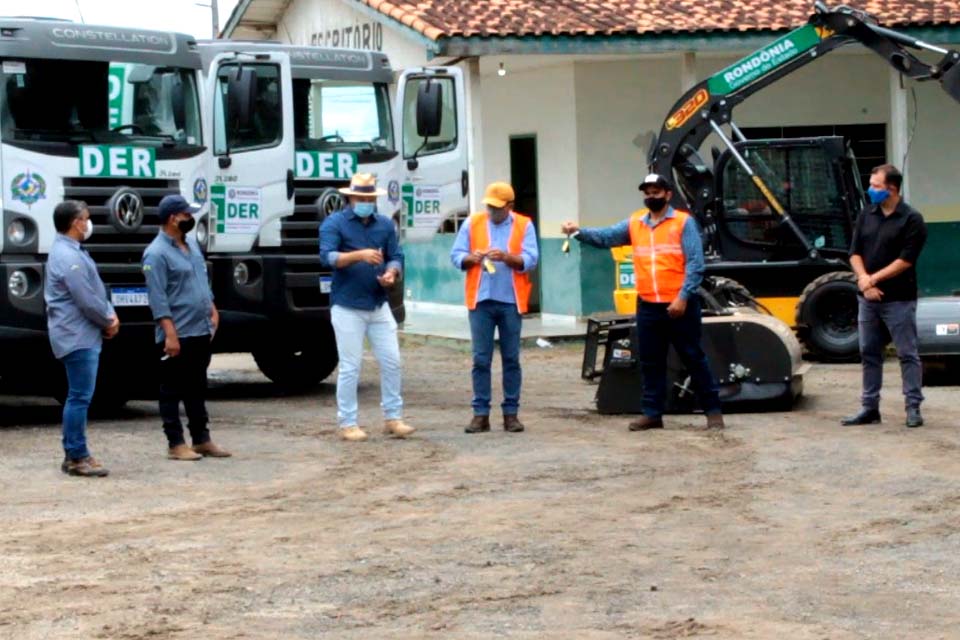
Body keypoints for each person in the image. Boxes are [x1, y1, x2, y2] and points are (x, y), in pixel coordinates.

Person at [562, 173, 724, 431]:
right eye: (647, 192)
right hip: (648, 304)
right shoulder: (636, 223)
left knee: (693, 357)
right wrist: (578, 232)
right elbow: (606, 237)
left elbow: (695, 264)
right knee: (650, 362)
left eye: (656, 192)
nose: (651, 196)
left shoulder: (683, 223)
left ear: (668, 194)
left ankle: (713, 411)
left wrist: (682, 297)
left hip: (679, 305)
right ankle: (652, 413)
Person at [319, 173, 412, 442]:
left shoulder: (384, 225)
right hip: (347, 305)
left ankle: (393, 417)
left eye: (370, 198)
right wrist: (360, 255)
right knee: (351, 364)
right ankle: (348, 422)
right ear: (350, 198)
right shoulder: (334, 223)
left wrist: (392, 272)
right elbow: (328, 257)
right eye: (362, 198)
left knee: (392, 360)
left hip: (378, 302)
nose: (367, 202)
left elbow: (396, 255)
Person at [142, 195, 231, 460]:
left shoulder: (191, 245)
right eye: (186, 215)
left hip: (200, 329)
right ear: (173, 218)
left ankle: (201, 439)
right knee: (171, 389)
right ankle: (176, 443)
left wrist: (212, 308)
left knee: (197, 386)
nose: (190, 219)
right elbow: (157, 297)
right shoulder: (156, 253)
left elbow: (201, 280)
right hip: (177, 332)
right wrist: (170, 333)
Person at [842, 164, 928, 428]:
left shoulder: (912, 219)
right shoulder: (866, 214)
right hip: (867, 298)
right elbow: (854, 253)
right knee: (869, 352)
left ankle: (912, 407)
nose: (871, 190)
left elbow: (905, 261)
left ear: (891, 188)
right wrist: (863, 281)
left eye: (876, 186)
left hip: (899, 299)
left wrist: (873, 279)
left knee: (907, 353)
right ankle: (870, 408)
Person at [450, 182, 539, 434]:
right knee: (480, 359)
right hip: (480, 301)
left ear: (510, 206)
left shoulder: (524, 225)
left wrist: (507, 257)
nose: (491, 211)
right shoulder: (472, 223)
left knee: (511, 359)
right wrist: (471, 258)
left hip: (511, 301)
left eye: (497, 207)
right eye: (489, 206)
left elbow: (531, 259)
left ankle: (511, 414)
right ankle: (480, 414)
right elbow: (456, 256)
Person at [44, 200, 119, 477]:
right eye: (86, 218)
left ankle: (76, 453)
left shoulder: (72, 251)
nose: (88, 223)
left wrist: (108, 315)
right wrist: (108, 320)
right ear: (76, 223)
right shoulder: (68, 256)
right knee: (79, 397)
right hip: (77, 335)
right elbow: (86, 299)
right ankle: (77, 456)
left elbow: (93, 291)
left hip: (81, 333)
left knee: (79, 395)